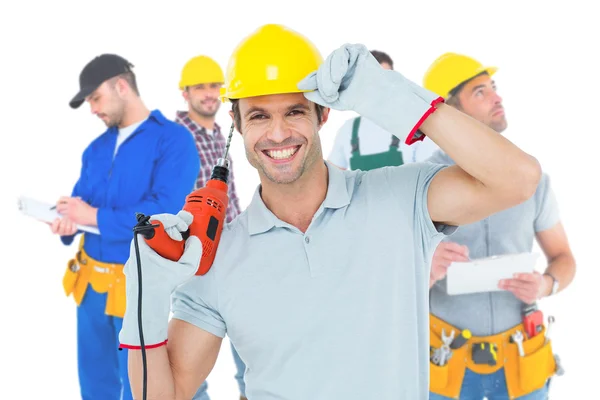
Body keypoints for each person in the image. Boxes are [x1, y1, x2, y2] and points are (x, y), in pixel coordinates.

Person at [118, 24, 542, 400]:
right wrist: (145, 299)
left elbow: (518, 180)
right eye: (260, 115)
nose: (278, 133)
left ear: (323, 114)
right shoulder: (218, 260)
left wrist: (394, 97)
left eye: (295, 111)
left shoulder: (401, 198)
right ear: (237, 121)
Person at [423, 53, 576, 400]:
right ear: (449, 111)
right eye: (480, 91)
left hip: (521, 362)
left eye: (494, 87)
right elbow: (381, 281)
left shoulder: (532, 179)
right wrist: (425, 272)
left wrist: (545, 285)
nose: (497, 97)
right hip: (445, 366)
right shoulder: (419, 187)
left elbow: (564, 257)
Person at [51, 53, 199, 400]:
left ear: (121, 86)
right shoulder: (96, 149)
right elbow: (79, 204)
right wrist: (66, 222)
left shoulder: (174, 140)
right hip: (89, 286)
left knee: (142, 389)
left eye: (96, 98)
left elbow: (164, 213)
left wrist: (93, 217)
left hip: (138, 289)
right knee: (94, 384)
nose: (92, 109)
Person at [176, 54, 248, 400]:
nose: (208, 93)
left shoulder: (220, 133)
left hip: (232, 257)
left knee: (250, 349)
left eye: (214, 85)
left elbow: (228, 199)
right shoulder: (175, 138)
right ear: (185, 93)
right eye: (199, 86)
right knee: (188, 365)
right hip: (194, 263)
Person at [327, 49, 439, 171]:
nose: (382, 87)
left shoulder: (414, 125)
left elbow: (431, 176)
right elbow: (332, 177)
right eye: (374, 80)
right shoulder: (348, 130)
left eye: (386, 79)